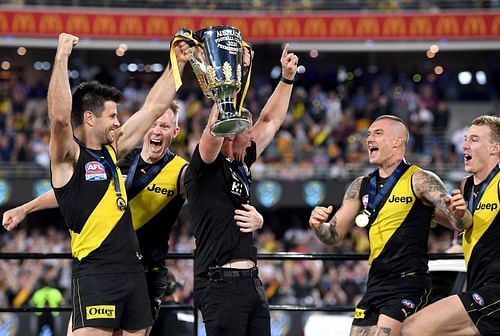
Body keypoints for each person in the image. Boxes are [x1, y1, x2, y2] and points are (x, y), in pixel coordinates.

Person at [2, 103, 265, 335]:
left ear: (175, 133)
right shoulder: (118, 161)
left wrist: (255, 216)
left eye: (165, 125)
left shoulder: (182, 171)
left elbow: (215, 197)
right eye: (153, 123)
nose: (157, 130)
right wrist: (26, 208)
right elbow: (73, 189)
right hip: (105, 265)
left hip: (147, 272)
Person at [9, 32, 191, 336]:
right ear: (90, 119)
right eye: (113, 116)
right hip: (97, 272)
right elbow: (59, 120)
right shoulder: (68, 158)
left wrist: (178, 63)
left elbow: (153, 108)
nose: (119, 122)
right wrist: (61, 55)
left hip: (134, 272)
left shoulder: (112, 151)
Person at [308, 115, 472, 336]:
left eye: (377, 133)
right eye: (368, 134)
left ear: (397, 141)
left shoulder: (420, 179)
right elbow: (333, 235)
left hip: (408, 282)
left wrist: (460, 213)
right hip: (375, 283)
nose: (369, 139)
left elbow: (458, 221)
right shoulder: (361, 185)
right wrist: (319, 225)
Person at [184, 43, 298, 336]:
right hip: (220, 282)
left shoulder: (241, 161)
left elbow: (271, 121)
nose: (253, 136)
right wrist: (233, 74)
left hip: (251, 281)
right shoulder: (205, 165)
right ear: (233, 133)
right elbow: (213, 130)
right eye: (248, 129)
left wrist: (287, 79)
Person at [401, 115, 500, 336]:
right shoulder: (465, 186)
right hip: (479, 287)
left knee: (412, 329)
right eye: (465, 139)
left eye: (474, 139)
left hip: (495, 292)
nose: (465, 144)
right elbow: (463, 223)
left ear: (495, 148)